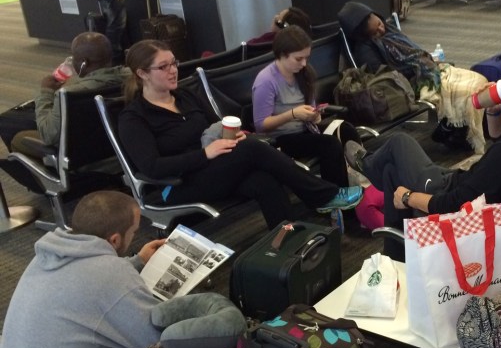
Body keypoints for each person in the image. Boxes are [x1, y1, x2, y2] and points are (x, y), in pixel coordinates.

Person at [118, 40, 362, 228]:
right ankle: (324, 195)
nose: (173, 71)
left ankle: (287, 245)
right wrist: (205, 154)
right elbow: (153, 167)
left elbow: (216, 126)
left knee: (264, 181)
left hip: (212, 170)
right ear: (142, 73)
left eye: (174, 63)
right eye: (163, 67)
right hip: (176, 185)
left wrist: (232, 135)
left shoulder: (185, 96)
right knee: (253, 149)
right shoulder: (134, 118)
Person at [343, 46, 501, 233]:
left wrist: (408, 197)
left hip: (452, 198)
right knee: (391, 172)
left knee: (399, 143)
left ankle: (367, 166)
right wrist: (493, 109)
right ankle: (397, 250)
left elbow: (454, 205)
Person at [0, 191, 166, 348]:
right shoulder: (110, 274)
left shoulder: (48, 254)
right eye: (133, 232)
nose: (134, 236)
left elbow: (87, 284)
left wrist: (138, 261)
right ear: (114, 239)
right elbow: (156, 338)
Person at [338, 1, 488, 153]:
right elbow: (387, 76)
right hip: (408, 82)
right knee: (465, 90)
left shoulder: (390, 30)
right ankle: (453, 129)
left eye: (379, 24)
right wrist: (420, 67)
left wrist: (424, 63)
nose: (381, 30)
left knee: (477, 80)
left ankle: (452, 128)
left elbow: (414, 51)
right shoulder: (365, 50)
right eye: (375, 32)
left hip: (428, 70)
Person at [252, 25, 360, 188]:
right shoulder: (266, 81)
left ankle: (361, 182)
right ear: (282, 55)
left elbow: (311, 107)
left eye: (306, 58)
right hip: (280, 139)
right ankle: (335, 194)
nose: (303, 63)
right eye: (298, 59)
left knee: (347, 130)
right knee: (329, 144)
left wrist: (314, 115)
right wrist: (293, 114)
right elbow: (261, 125)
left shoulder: (303, 73)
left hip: (306, 129)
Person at [7, 33, 128, 155]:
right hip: (115, 145)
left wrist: (45, 92)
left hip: (80, 152)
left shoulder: (71, 94)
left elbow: (48, 135)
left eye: (73, 57)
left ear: (84, 63)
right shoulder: (131, 78)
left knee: (17, 137)